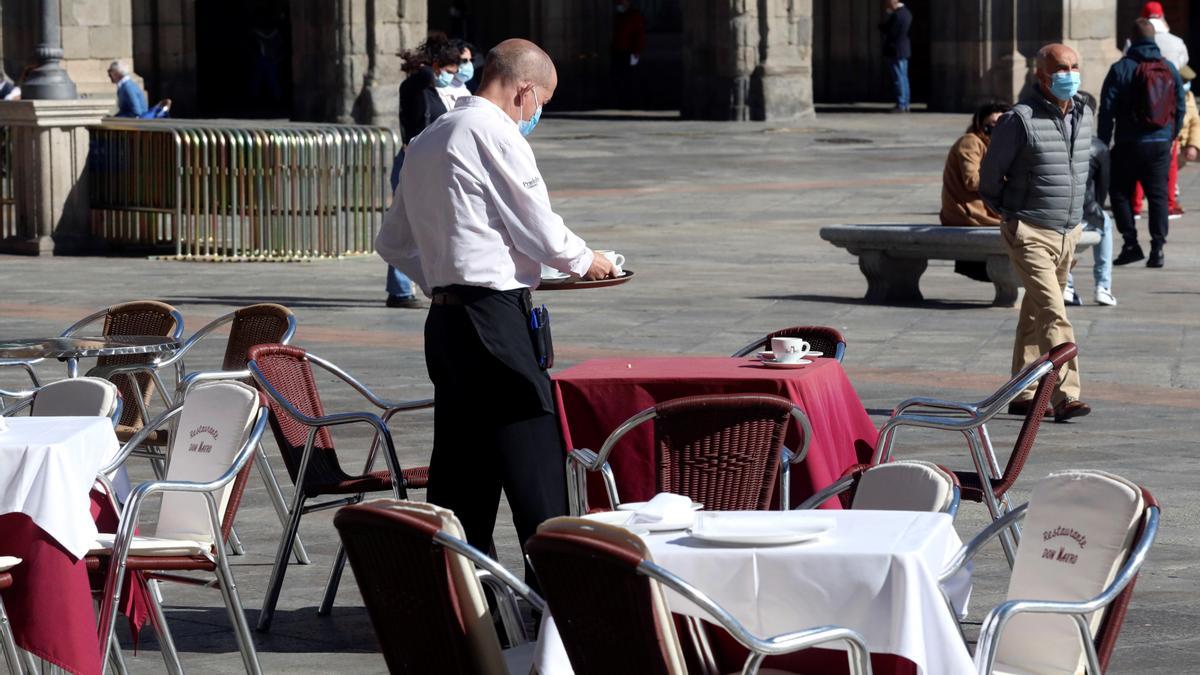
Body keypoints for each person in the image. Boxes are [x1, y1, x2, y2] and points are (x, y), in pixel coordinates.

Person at [375, 38, 617, 580]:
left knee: (464, 471)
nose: (538, 115)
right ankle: (557, 600)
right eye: (542, 103)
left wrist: (442, 275)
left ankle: (464, 598)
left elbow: (392, 243)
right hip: (494, 322)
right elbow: (538, 224)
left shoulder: (428, 139)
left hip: (447, 322)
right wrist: (588, 260)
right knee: (535, 467)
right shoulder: (493, 132)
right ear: (524, 90)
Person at [980, 43, 1092, 423]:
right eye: (1062, 68)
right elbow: (991, 173)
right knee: (1054, 312)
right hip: (1029, 229)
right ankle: (1066, 395)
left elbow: (1082, 168)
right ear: (1041, 75)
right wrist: (1006, 210)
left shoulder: (1085, 112)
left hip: (1067, 231)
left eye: (1075, 66)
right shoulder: (1020, 119)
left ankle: (1024, 391)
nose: (1070, 74)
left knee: (1034, 314)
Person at [384, 34, 463, 309]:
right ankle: (400, 290)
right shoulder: (415, 85)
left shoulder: (437, 88)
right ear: (437, 64)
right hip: (411, 161)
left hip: (430, 162)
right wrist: (429, 66)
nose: (453, 74)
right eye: (450, 68)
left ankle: (418, 283)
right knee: (407, 223)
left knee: (427, 222)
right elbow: (423, 78)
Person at [1099, 18, 1185, 269]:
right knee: (1158, 196)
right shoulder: (1168, 68)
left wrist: (1104, 143)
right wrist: (1171, 135)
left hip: (1128, 143)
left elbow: (1106, 110)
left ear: (1132, 39)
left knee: (1119, 192)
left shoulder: (1120, 68)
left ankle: (1130, 243)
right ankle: (1157, 249)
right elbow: (1180, 107)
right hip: (1159, 143)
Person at [939, 103, 1010, 281]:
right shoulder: (971, 141)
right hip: (969, 212)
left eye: (1001, 123)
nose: (996, 127)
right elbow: (972, 181)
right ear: (981, 124)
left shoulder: (998, 146)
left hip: (985, 210)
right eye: (991, 123)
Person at [1065, 92, 1118, 307]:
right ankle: (1103, 286)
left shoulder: (1056, 136)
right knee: (1105, 222)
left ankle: (1066, 285)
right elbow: (1102, 190)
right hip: (1084, 208)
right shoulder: (1098, 147)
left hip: (1053, 209)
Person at [611, 0, 646, 109]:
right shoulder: (619, 16)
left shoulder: (634, 16)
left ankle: (632, 102)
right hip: (618, 52)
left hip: (630, 52)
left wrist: (636, 51)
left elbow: (639, 35)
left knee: (631, 79)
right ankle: (621, 101)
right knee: (620, 78)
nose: (620, 4)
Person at [879, 0, 912, 113]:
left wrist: (882, 26)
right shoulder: (907, 13)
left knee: (898, 78)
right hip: (903, 49)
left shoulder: (897, 15)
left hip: (895, 50)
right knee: (904, 78)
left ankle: (901, 104)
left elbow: (891, 31)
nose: (887, 6)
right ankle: (906, 103)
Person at [436, 39, 477, 112]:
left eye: (471, 60)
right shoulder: (439, 88)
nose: (469, 64)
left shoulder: (465, 91)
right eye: (464, 61)